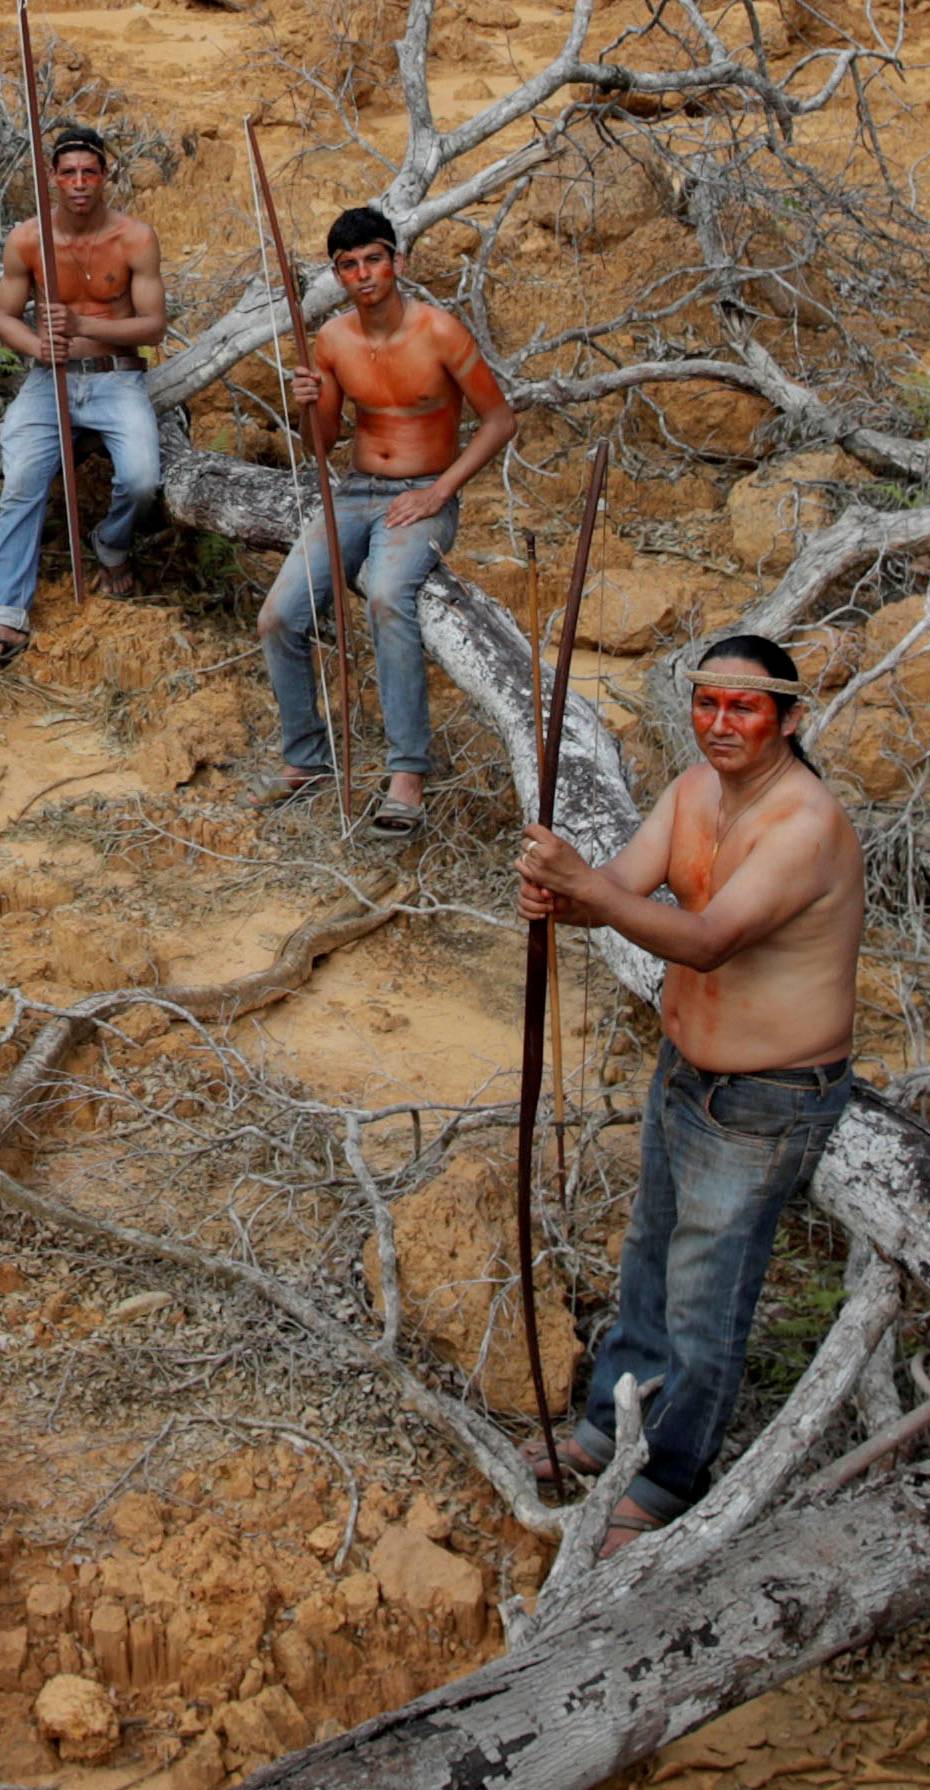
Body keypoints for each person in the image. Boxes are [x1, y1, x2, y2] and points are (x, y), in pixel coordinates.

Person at [516, 631, 863, 1553]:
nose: (719, 723)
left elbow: (708, 939)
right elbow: (621, 887)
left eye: (743, 707)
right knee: (650, 1260)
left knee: (709, 1292)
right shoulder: (692, 791)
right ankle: (608, 1425)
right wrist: (563, 891)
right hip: (686, 1074)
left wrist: (585, 886)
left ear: (788, 717)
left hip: (768, 1096)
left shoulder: (805, 824)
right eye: (707, 703)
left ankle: (672, 1474)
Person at [257, 204, 515, 835]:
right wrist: (310, 406)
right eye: (349, 265)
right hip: (354, 490)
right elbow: (320, 443)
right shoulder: (334, 340)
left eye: (374, 259)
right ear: (338, 276)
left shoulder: (440, 332)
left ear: (397, 262)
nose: (364, 274)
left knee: (388, 599)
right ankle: (307, 759)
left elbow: (500, 421)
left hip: (425, 490)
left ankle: (407, 775)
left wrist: (440, 493)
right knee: (278, 616)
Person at [0, 125, 167, 653]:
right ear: (52, 178)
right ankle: (7, 609)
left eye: (88, 172)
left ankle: (111, 542)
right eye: (68, 173)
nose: (78, 183)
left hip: (116, 378)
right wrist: (36, 347)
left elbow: (153, 326)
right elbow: (4, 316)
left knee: (142, 479)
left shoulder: (135, 238)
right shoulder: (28, 238)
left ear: (104, 176)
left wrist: (81, 327)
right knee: (22, 477)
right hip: (49, 381)